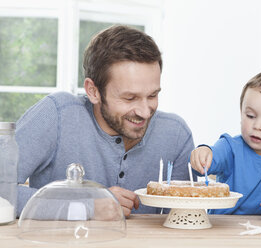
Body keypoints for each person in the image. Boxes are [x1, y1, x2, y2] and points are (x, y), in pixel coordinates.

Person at [16, 25, 194, 217]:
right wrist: (85, 208)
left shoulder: (176, 135)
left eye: (152, 95)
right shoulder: (56, 115)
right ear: (93, 91)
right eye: (130, 98)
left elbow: (185, 219)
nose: (144, 112)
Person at [190, 70, 261, 221]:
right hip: (223, 229)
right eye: (250, 116)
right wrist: (203, 152)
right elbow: (208, 162)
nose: (257, 126)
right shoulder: (229, 147)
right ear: (241, 113)